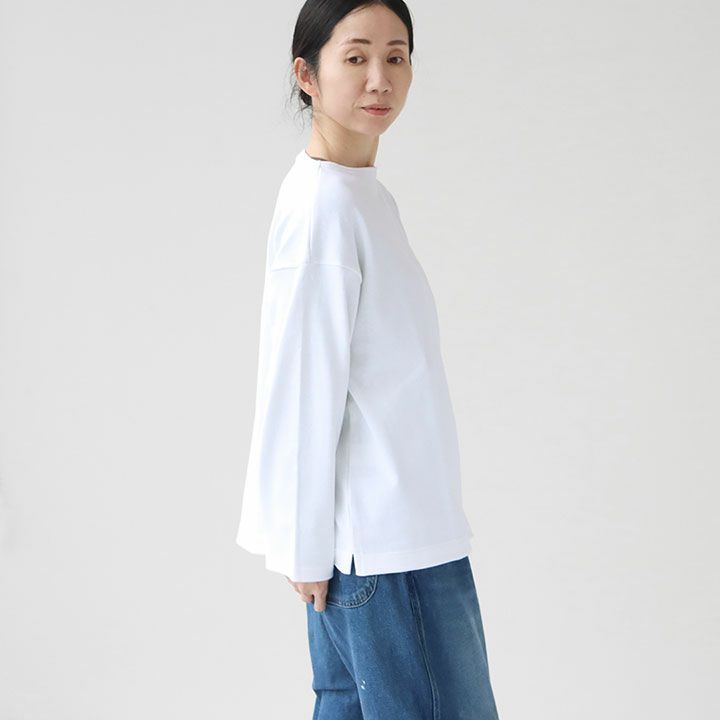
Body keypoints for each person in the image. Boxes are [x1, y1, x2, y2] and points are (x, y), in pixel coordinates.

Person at [235, 1, 501, 717]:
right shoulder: (325, 208)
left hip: (397, 531)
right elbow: (304, 385)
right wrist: (304, 547)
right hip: (384, 546)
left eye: (396, 56)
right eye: (355, 57)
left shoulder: (360, 196)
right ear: (306, 75)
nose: (380, 77)